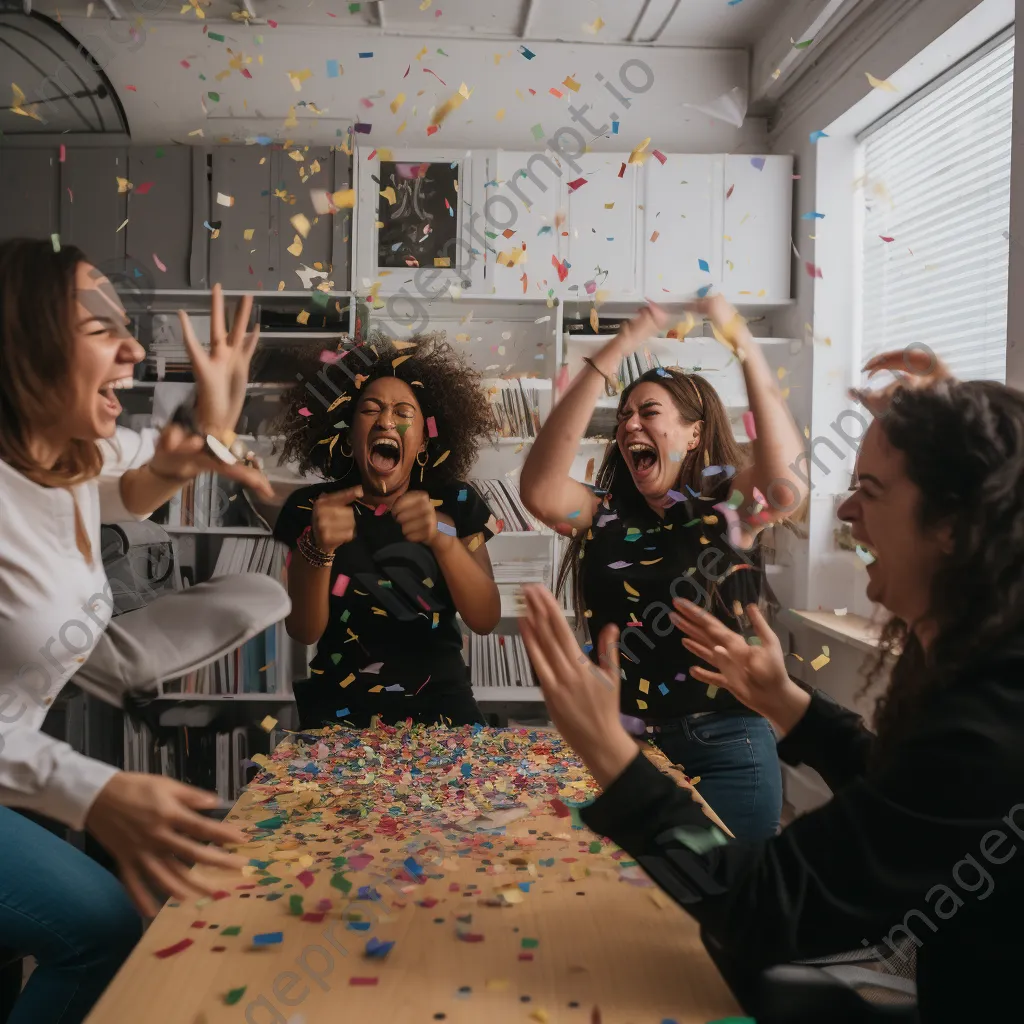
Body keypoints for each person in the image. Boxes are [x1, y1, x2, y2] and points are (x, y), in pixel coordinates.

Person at [519, 351, 1024, 1021]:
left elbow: (759, 907)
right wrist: (789, 702)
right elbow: (903, 788)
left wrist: (610, 754)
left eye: (870, 490)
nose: (844, 510)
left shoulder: (992, 725)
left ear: (954, 525)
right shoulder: (980, 679)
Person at [0, 238, 277, 1024]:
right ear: (20, 338)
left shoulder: (66, 455)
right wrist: (97, 791)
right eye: (99, 328)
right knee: (102, 933)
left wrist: (206, 437)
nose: (132, 348)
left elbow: (137, 471)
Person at [520, 297, 807, 840]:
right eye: (623, 415)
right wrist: (616, 349)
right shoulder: (601, 514)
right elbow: (538, 489)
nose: (630, 424)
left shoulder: (730, 511)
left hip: (727, 747)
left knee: (727, 906)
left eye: (648, 413)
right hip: (625, 747)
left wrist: (744, 346)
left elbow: (786, 487)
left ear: (694, 434)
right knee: (635, 910)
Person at [273, 333, 501, 729]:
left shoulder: (456, 500)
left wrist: (440, 541)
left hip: (442, 709)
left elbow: (485, 618)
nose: (386, 420)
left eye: (402, 411)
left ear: (424, 444)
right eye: (371, 409)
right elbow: (304, 631)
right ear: (348, 438)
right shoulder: (312, 508)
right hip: (339, 713)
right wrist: (318, 547)